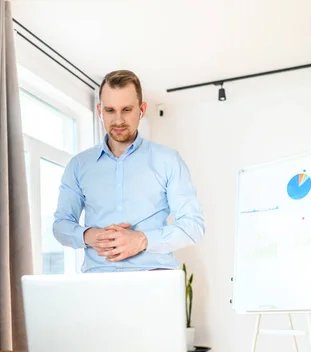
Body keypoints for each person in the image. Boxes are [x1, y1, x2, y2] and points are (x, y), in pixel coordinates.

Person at [52, 69, 205, 273]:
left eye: (126, 109)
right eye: (110, 110)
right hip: (97, 283)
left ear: (141, 110)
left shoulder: (168, 160)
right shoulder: (78, 165)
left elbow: (193, 226)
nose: (118, 120)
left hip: (155, 280)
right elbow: (61, 225)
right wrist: (90, 235)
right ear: (99, 111)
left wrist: (142, 240)